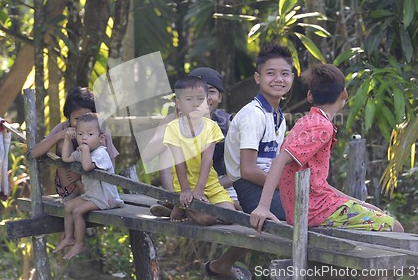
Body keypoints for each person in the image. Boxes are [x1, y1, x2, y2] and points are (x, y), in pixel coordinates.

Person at [249, 63, 404, 234]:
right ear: (344, 93)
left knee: (378, 214)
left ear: (309, 96)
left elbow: (318, 184)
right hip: (316, 212)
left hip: (311, 208)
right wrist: (263, 207)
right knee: (396, 228)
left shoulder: (305, 121)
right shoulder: (322, 126)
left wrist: (361, 204)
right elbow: (281, 159)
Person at [205, 43, 294, 279]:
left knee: (313, 207)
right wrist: (283, 185)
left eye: (285, 74)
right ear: (257, 77)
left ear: (292, 77)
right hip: (249, 190)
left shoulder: (277, 116)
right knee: (311, 215)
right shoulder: (253, 115)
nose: (278, 79)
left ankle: (222, 264)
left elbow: (272, 163)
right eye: (270, 73)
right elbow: (247, 169)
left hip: (265, 188)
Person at [143, 67, 241, 216]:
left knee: (236, 208)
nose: (203, 98)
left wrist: (202, 188)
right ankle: (174, 199)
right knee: (168, 145)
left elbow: (237, 171)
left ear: (220, 97)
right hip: (182, 185)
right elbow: (148, 155)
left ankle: (186, 206)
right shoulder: (172, 122)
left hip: (218, 183)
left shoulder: (227, 123)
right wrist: (174, 123)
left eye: (211, 91)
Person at [163, 76, 236, 224]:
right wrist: (186, 190)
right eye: (189, 99)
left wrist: (199, 189)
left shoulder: (211, 127)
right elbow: (179, 162)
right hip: (184, 184)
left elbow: (207, 160)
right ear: (178, 103)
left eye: (200, 99)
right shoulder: (173, 128)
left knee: (230, 217)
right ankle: (182, 205)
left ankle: (185, 207)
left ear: (207, 101)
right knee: (208, 219)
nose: (195, 104)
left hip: (209, 184)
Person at [28, 87, 119, 202]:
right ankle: (73, 195)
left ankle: (86, 193)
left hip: (95, 185)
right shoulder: (64, 127)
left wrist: (84, 176)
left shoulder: (101, 132)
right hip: (69, 185)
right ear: (68, 118)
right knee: (62, 144)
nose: (82, 123)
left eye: (87, 117)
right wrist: (59, 135)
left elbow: (111, 164)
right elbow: (33, 154)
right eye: (77, 119)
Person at [55, 113, 124, 260]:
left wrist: (84, 151)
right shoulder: (84, 151)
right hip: (92, 195)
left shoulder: (100, 154)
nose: (84, 138)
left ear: (101, 138)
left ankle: (80, 243)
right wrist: (67, 139)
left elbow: (87, 167)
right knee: (68, 206)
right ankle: (69, 237)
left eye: (90, 134)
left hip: (106, 198)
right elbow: (66, 158)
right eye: (80, 134)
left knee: (78, 212)